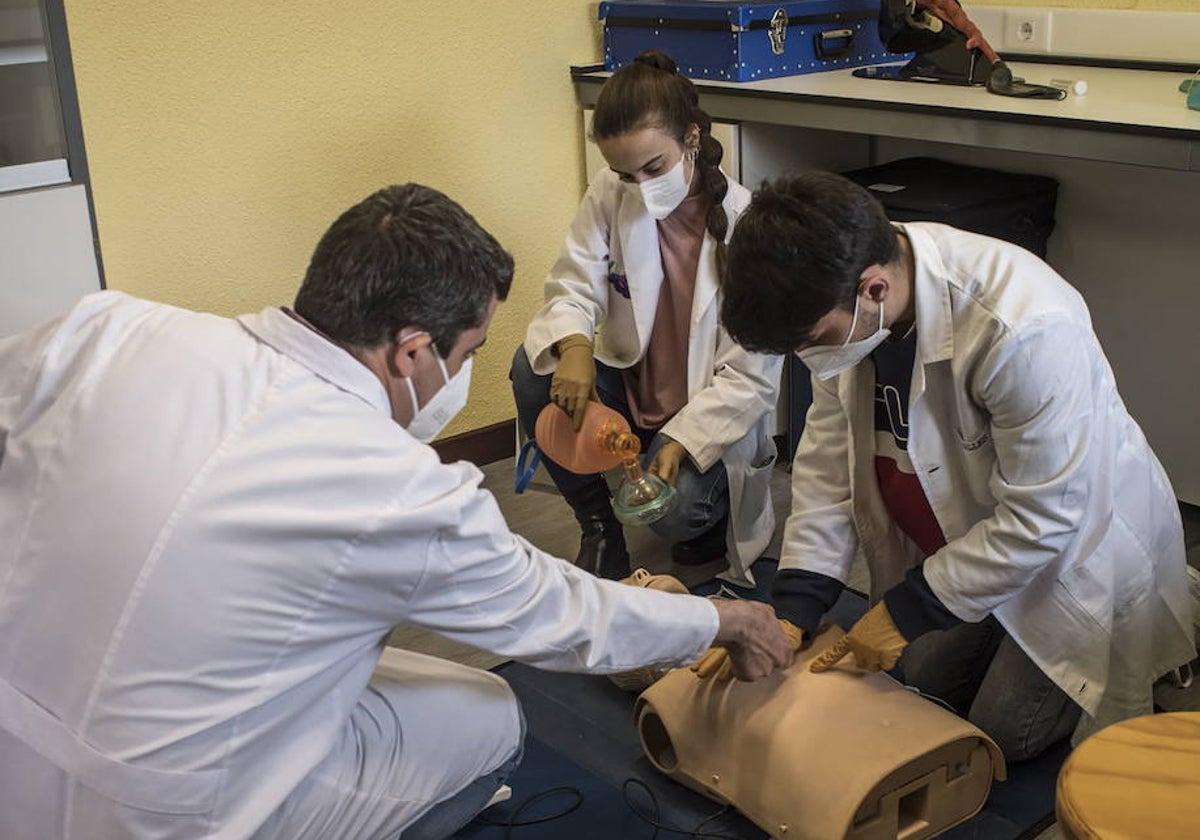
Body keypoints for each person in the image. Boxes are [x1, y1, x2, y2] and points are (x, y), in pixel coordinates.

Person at [0, 183, 797, 839]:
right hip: (165, 814)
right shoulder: (396, 486)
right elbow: (560, 617)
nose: (461, 372)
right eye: (466, 354)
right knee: (490, 716)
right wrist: (723, 624)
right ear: (412, 351)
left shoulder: (109, 328)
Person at [717, 170, 1196, 761]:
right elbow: (827, 466)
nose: (808, 356)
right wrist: (795, 604)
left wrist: (909, 611)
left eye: (813, 338)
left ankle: (1164, 613)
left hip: (1068, 551)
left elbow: (1044, 517)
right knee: (914, 687)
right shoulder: (848, 298)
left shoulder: (1021, 324)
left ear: (872, 290)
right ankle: (978, 614)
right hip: (966, 536)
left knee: (1001, 732)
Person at [511, 51, 783, 585]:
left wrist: (681, 443)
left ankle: (705, 522)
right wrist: (575, 347)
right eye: (623, 172)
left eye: (653, 167)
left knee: (677, 513)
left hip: (701, 411)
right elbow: (572, 282)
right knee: (531, 369)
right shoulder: (611, 194)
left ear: (691, 138)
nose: (638, 184)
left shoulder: (751, 225)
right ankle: (599, 528)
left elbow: (751, 378)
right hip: (632, 390)